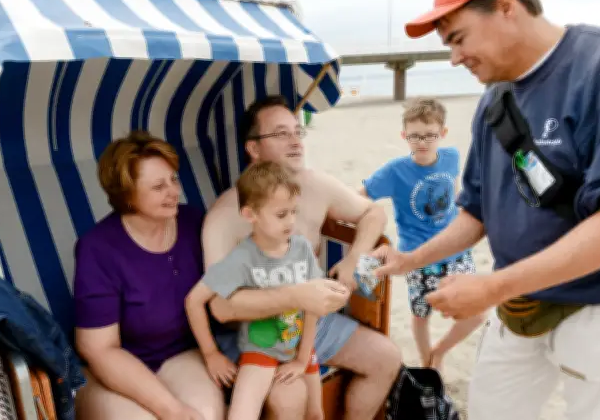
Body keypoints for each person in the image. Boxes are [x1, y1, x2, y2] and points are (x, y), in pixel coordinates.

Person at [372, 0, 600, 420]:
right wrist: (411, 260)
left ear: (507, 6)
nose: (453, 57)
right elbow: (477, 210)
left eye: (459, 38)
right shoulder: (495, 101)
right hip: (522, 303)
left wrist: (491, 287)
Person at [202, 95, 402, 420]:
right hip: (256, 335)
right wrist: (294, 295)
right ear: (253, 148)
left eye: (298, 131)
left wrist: (354, 258)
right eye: (281, 134)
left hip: (309, 322)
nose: (296, 141)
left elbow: (373, 213)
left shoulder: (313, 184)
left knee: (386, 358)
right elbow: (221, 307)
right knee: (288, 397)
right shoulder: (227, 216)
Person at [73, 131, 224, 420]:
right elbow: (100, 350)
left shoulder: (194, 222)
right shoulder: (98, 248)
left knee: (202, 415)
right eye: (158, 186)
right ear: (127, 195)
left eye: (174, 180)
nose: (173, 192)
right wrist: (170, 408)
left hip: (179, 355)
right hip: (113, 366)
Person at [186, 161, 324, 420]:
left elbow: (313, 304)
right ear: (251, 215)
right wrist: (210, 353)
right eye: (281, 215)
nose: (291, 222)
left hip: (298, 348)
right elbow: (194, 301)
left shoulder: (302, 248)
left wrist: (302, 358)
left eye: (294, 211)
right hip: (260, 350)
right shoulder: (242, 258)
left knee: (316, 414)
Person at [360, 97, 482, 371]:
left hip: (454, 249)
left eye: (430, 135)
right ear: (404, 136)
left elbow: (456, 192)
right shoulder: (394, 171)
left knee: (476, 313)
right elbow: (360, 198)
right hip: (415, 256)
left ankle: (439, 351)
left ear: (443, 133)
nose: (422, 142)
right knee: (420, 314)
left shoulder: (451, 157)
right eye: (415, 136)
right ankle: (428, 363)